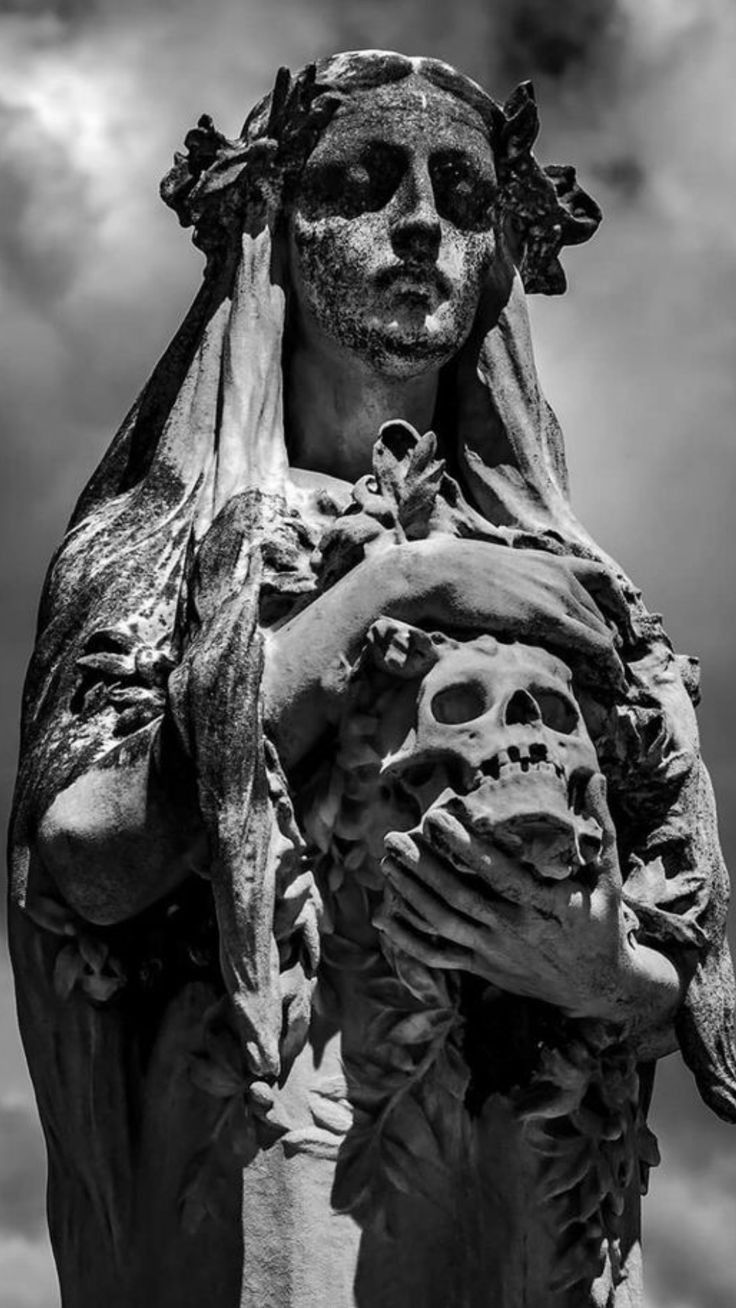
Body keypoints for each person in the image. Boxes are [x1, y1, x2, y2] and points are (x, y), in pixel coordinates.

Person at [8, 50, 735, 1308]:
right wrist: (397, 590)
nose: (421, 226)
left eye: (462, 196)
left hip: (524, 1194)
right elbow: (86, 851)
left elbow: (690, 956)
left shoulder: (570, 580)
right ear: (273, 230)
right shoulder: (175, 535)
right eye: (364, 182)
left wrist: (596, 972)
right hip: (270, 1164)